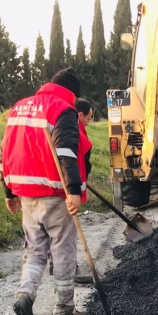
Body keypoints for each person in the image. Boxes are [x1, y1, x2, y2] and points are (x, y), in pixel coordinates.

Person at [0, 68, 90, 315]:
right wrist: (73, 190)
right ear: (73, 94)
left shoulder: (19, 107)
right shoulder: (62, 109)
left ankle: (25, 295)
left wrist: (8, 193)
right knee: (63, 252)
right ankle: (64, 310)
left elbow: (3, 153)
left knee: (35, 251)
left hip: (26, 194)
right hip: (55, 195)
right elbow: (67, 153)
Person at [73, 98, 96, 286]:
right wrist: (79, 180)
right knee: (66, 230)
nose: (89, 121)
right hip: (68, 188)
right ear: (80, 115)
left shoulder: (75, 127)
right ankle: (67, 268)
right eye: (88, 118)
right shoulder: (74, 129)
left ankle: (57, 265)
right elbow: (83, 154)